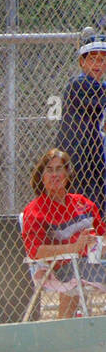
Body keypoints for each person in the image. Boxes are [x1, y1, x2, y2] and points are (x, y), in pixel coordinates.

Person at [20, 148, 105, 319]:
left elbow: (101, 234)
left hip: (93, 261)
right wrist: (73, 247)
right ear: (41, 177)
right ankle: (63, 333)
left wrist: (97, 243)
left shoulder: (83, 204)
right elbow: (34, 251)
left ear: (67, 174)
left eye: (59, 169)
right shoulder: (35, 210)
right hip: (59, 267)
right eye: (49, 170)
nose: (55, 175)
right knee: (75, 275)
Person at [55, 32, 106, 216]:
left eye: (102, 60)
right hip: (81, 165)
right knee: (86, 216)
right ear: (82, 62)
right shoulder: (78, 84)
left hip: (95, 165)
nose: (98, 65)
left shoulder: (99, 86)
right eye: (93, 59)